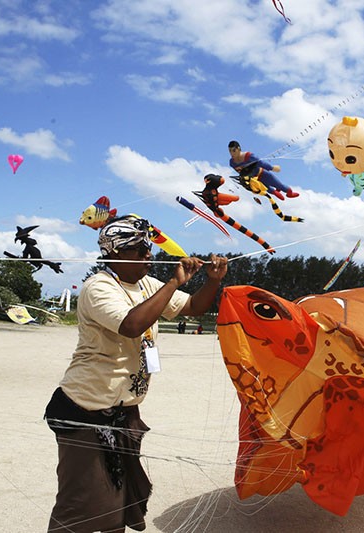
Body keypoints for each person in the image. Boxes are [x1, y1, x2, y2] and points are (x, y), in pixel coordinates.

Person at [43, 215, 228, 533]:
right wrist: (173, 283)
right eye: (140, 249)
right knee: (79, 504)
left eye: (148, 247)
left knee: (119, 500)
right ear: (115, 254)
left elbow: (194, 307)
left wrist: (212, 280)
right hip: (85, 409)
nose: (148, 254)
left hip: (123, 411)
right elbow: (131, 325)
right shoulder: (98, 286)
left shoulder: (147, 284)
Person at [228, 140, 298, 201]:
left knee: (279, 185)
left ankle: (289, 193)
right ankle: (276, 192)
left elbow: (261, 163)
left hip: (263, 174)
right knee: (269, 190)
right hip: (255, 181)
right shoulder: (232, 163)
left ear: (239, 149)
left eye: (234, 150)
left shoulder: (249, 156)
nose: (232, 153)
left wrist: (272, 168)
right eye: (230, 151)